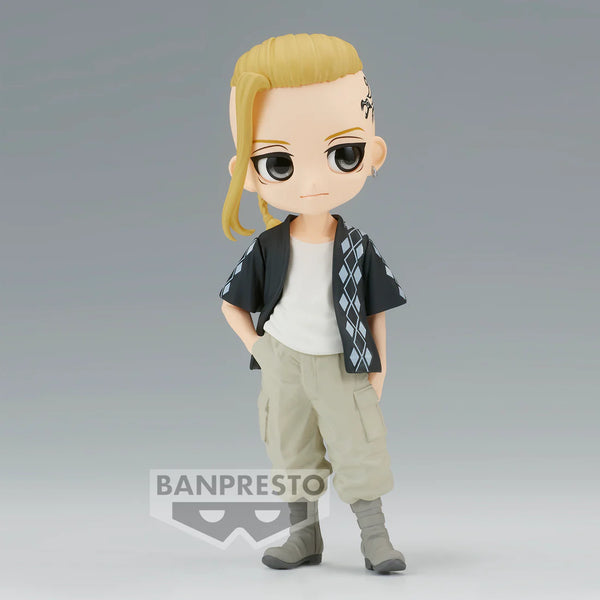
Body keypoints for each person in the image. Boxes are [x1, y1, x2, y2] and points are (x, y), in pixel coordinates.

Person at [218, 33, 407, 573]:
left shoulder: (357, 246)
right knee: (290, 449)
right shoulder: (268, 246)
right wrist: (262, 349)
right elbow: (230, 304)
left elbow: (376, 309)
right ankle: (303, 537)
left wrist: (380, 366)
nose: (313, 181)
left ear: (373, 153)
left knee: (358, 448)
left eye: (343, 154)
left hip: (344, 362)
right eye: (279, 162)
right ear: (246, 170)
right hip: (285, 360)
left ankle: (375, 539)